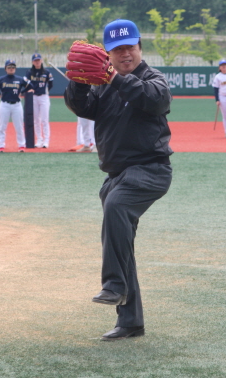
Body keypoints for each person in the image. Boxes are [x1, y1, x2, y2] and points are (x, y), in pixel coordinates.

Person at [64, 19, 173, 341]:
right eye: (117, 50)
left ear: (140, 48)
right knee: (121, 241)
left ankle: (113, 284)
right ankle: (131, 322)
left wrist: (115, 79)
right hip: (116, 175)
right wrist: (79, 82)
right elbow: (82, 107)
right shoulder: (104, 86)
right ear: (108, 54)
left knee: (116, 207)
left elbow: (155, 101)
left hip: (150, 170)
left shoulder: (154, 79)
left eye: (130, 47)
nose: (125, 54)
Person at [0, 59, 33, 152]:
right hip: (5, 105)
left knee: (19, 126)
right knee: (2, 126)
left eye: (13, 67)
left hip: (17, 105)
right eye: (9, 67)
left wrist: (22, 92)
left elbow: (30, 86)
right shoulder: (1, 79)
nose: (11, 69)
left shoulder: (20, 79)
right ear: (5, 68)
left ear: (15, 69)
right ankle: (1, 145)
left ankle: (21, 145)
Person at [25, 53, 54, 148]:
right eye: (35, 60)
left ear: (41, 61)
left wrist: (46, 91)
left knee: (45, 120)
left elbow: (51, 84)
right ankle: (39, 139)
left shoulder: (46, 72)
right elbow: (26, 84)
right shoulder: (29, 72)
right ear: (32, 62)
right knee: (36, 120)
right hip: (33, 97)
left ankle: (46, 140)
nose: (37, 62)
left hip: (44, 97)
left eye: (38, 60)